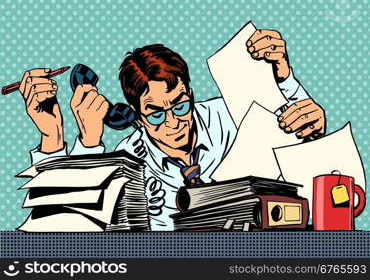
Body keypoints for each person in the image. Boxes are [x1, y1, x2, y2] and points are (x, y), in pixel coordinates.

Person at [19, 29, 326, 230]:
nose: (173, 122)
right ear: (134, 116)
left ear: (190, 95)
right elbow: (65, 239)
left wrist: (290, 89)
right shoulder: (127, 162)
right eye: (154, 114)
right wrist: (58, 139)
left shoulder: (235, 113)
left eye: (180, 105)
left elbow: (297, 140)